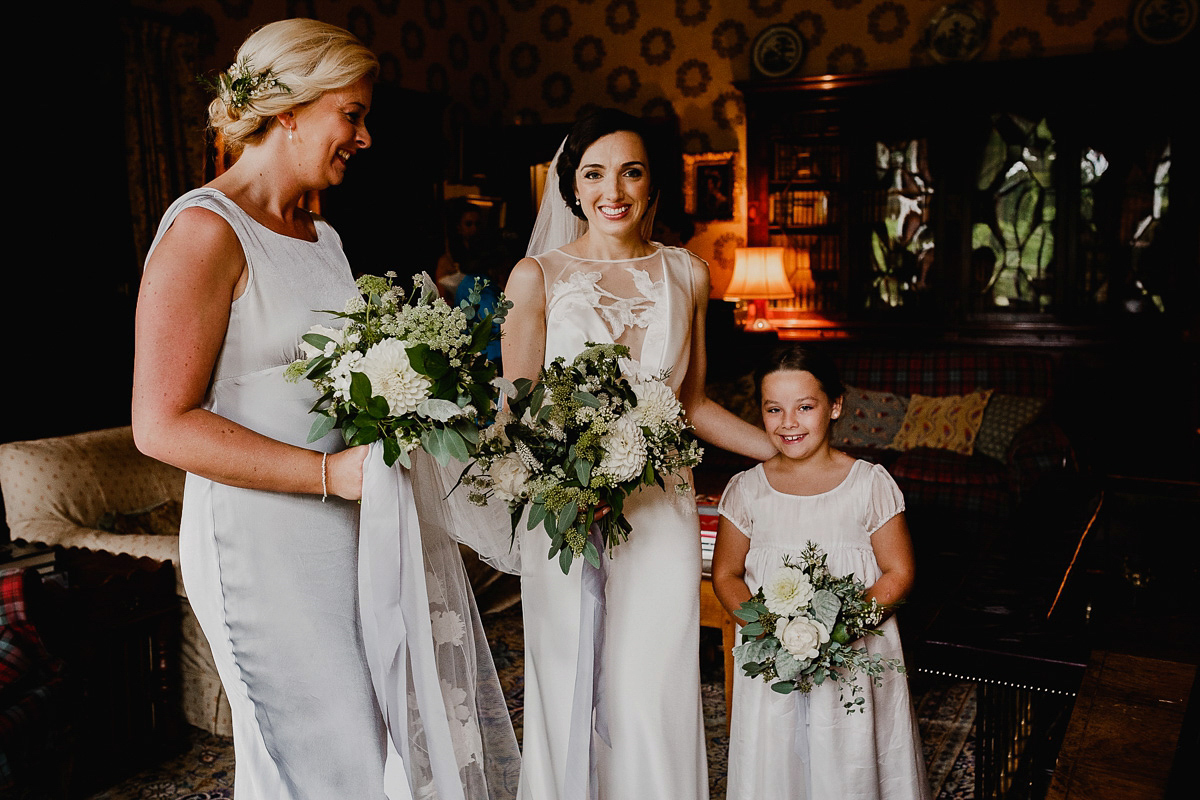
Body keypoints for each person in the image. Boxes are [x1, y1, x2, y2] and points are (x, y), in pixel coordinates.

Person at [132, 19, 517, 800]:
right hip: (261, 539)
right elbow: (160, 423)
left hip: (352, 523)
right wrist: (325, 475)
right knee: (319, 753)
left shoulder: (324, 237)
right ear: (288, 110)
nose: (364, 137)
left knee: (378, 741)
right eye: (353, 113)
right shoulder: (206, 231)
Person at [503, 108, 776, 800]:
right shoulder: (536, 277)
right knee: (566, 683)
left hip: (661, 510)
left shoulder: (689, 273)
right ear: (571, 187)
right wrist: (572, 478)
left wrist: (781, 450)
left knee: (652, 683)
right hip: (565, 512)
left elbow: (692, 403)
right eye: (594, 174)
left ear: (653, 182)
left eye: (631, 171)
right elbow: (518, 410)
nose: (613, 190)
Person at [711, 345, 930, 800]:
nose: (788, 422)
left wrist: (836, 632)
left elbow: (899, 571)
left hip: (851, 658)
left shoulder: (869, 484)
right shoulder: (746, 489)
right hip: (774, 661)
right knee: (778, 753)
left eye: (805, 407)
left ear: (834, 406)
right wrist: (768, 631)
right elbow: (727, 574)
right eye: (774, 409)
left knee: (849, 754)